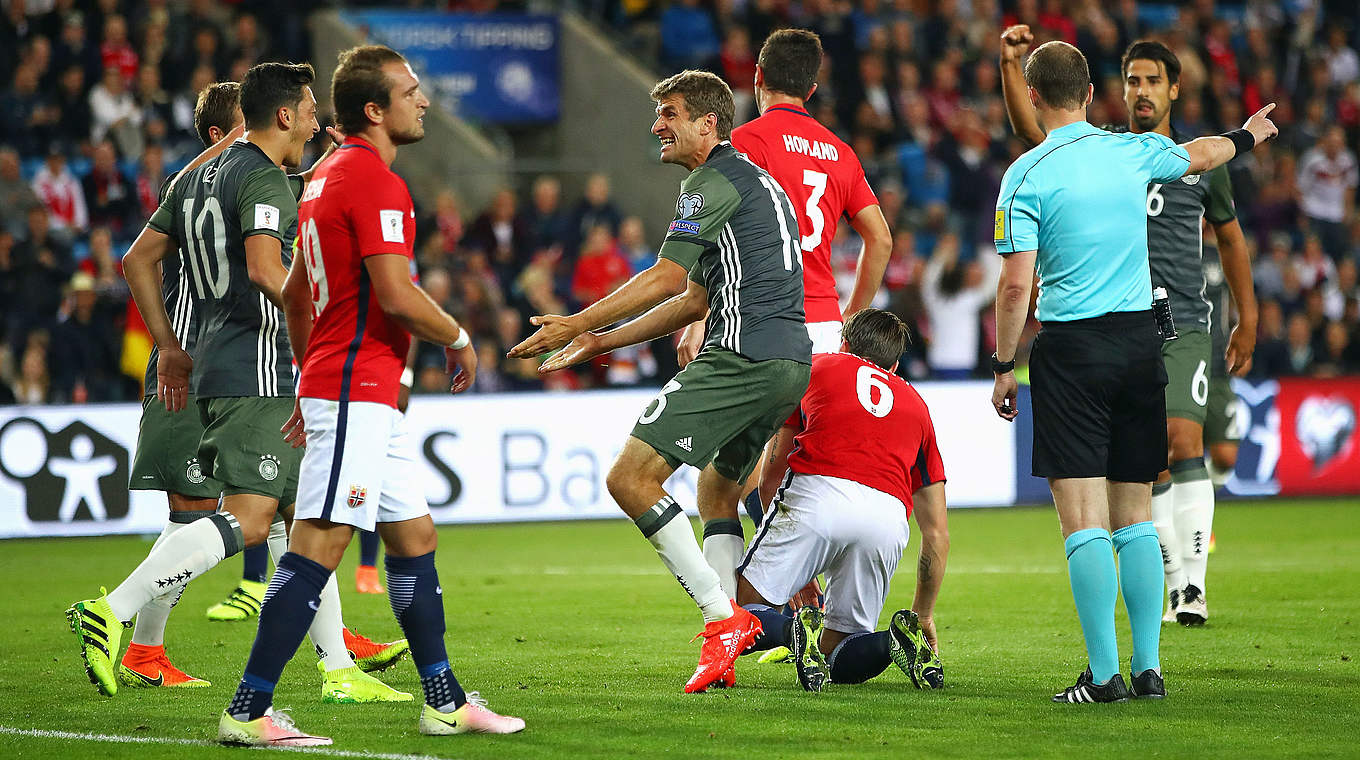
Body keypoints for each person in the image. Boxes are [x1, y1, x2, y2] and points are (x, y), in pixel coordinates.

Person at [66, 63, 407, 706]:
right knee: (244, 517)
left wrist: (169, 344)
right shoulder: (261, 178)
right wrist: (328, 316)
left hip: (211, 360)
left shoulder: (194, 178)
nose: (317, 119)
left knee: (298, 514)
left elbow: (137, 256)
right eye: (309, 109)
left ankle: (337, 668)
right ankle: (115, 611)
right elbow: (263, 266)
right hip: (256, 365)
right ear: (279, 116)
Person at [217, 46, 524, 746]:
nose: (424, 101)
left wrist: (305, 376)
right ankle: (248, 709)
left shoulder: (323, 177)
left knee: (414, 537)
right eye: (410, 91)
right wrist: (457, 335)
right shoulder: (374, 182)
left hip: (353, 390)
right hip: (355, 390)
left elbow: (297, 294)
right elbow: (395, 294)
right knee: (319, 543)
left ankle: (444, 700)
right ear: (374, 110)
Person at [989, 39, 1276, 703]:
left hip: (1073, 351)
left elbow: (1013, 288)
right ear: (1091, 93)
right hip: (1140, 346)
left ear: (1035, 98)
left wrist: (1005, 364)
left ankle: (1105, 675)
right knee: (1136, 516)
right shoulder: (1131, 151)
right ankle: (1149, 669)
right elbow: (1202, 152)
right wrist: (1248, 134)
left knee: (1084, 520)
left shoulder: (1027, 173)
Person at [509, 69, 811, 694]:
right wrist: (598, 340)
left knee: (629, 477)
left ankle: (722, 618)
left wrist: (577, 318)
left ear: (709, 123)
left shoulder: (711, 182)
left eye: (669, 114)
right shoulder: (757, 184)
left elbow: (666, 279)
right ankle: (728, 645)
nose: (657, 127)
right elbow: (695, 296)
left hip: (740, 356)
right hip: (788, 366)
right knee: (718, 494)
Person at [678, 27, 893, 525]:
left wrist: (698, 316)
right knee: (809, 464)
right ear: (812, 89)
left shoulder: (743, 143)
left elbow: (718, 229)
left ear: (757, 77)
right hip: (824, 327)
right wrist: (851, 316)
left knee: (730, 471)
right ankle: (804, 584)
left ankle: (774, 583)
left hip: (759, 322)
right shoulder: (839, 151)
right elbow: (880, 239)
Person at [734, 308, 949, 693]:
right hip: (887, 517)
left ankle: (791, 631)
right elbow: (937, 535)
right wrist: (925, 614)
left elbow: (770, 476)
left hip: (819, 495)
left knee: (739, 612)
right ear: (896, 365)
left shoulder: (815, 368)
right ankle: (893, 641)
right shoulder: (919, 409)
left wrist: (795, 568)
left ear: (844, 344)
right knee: (838, 654)